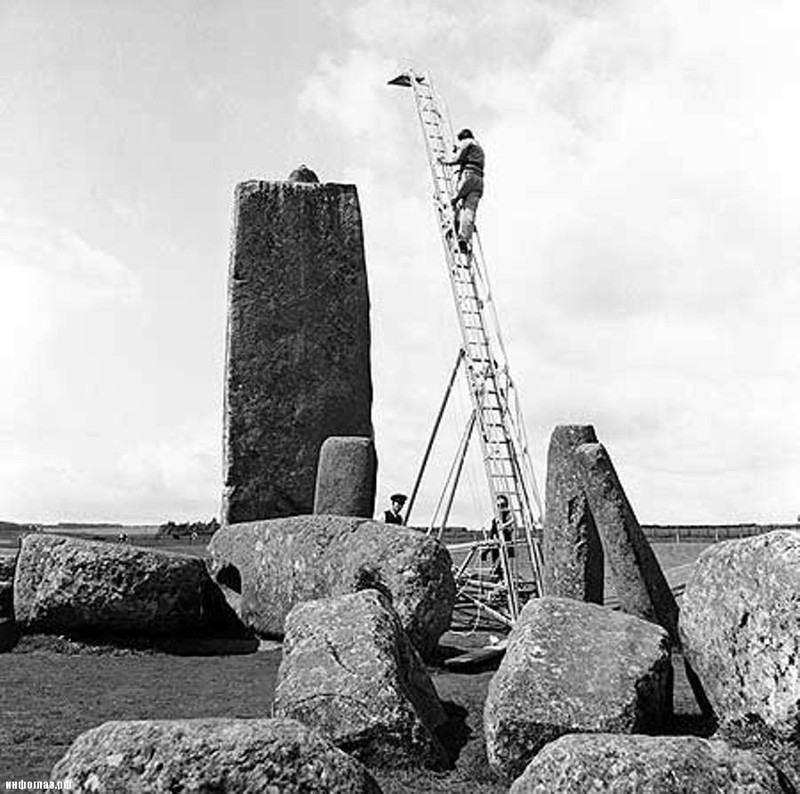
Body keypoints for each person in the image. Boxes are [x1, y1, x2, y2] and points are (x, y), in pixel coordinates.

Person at [442, 128, 485, 254]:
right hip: (479, 180)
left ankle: (454, 223)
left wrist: (445, 162)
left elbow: (457, 159)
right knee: (469, 211)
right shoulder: (479, 147)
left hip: (468, 175)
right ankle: (463, 239)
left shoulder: (466, 142)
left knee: (454, 201)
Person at [483, 494, 515, 578]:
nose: (500, 508)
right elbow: (492, 533)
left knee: (504, 566)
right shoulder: (495, 520)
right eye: (498, 505)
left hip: (506, 546)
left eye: (502, 505)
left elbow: (512, 525)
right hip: (496, 546)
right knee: (496, 568)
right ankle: (497, 576)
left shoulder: (508, 516)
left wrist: (504, 526)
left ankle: (503, 578)